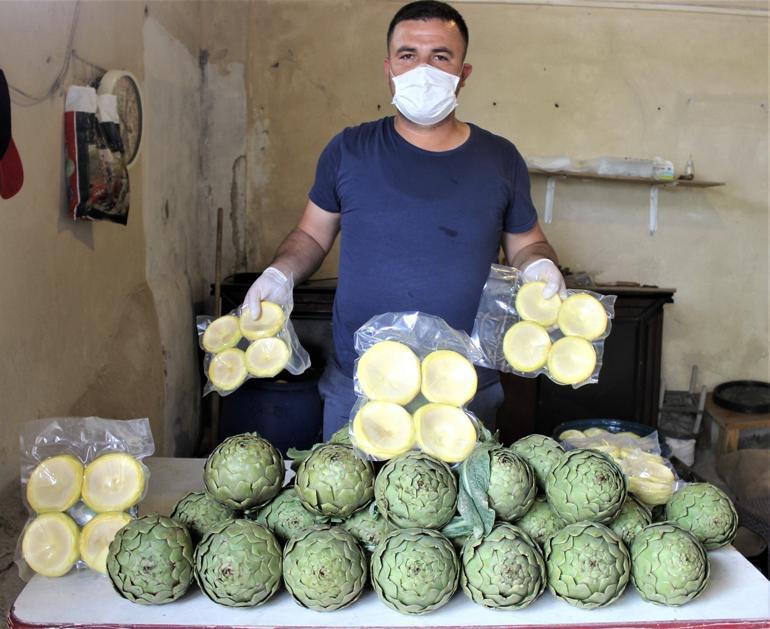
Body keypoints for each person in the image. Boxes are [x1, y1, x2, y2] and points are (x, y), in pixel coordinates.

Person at [244, 0, 566, 440]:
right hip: (357, 384)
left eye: (440, 56)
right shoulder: (349, 150)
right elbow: (310, 236)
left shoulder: (499, 159)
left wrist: (541, 265)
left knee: (464, 505)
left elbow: (526, 243)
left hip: (464, 385)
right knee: (345, 504)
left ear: (463, 73)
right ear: (389, 68)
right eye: (408, 55)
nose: (423, 69)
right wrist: (279, 275)